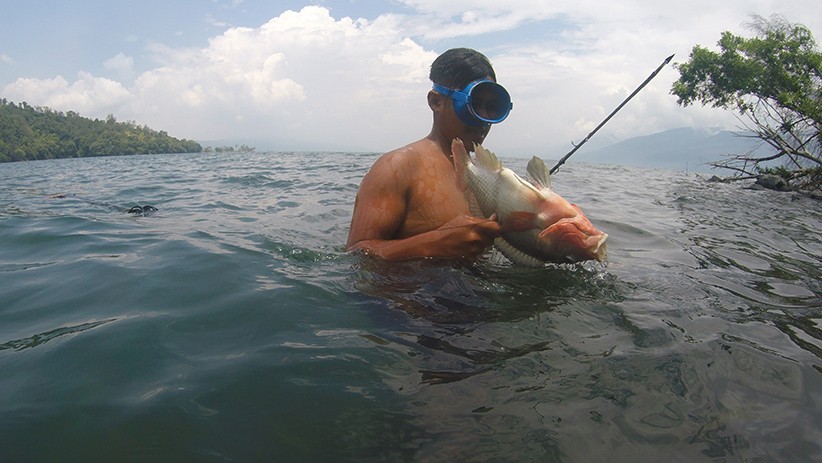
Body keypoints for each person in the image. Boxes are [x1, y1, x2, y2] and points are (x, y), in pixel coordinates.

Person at [346, 48, 513, 261]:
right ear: (436, 102)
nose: (484, 119)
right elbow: (356, 257)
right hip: (412, 293)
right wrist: (434, 243)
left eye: (493, 108)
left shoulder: (483, 178)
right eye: (474, 105)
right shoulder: (397, 166)